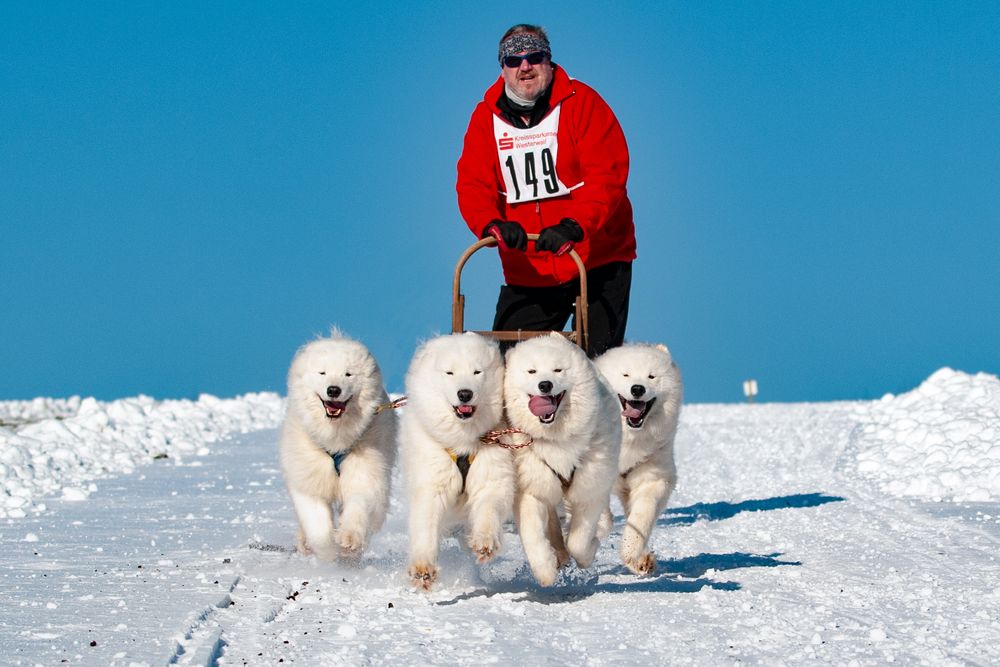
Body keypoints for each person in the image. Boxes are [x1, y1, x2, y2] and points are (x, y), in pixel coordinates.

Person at [456, 24, 636, 358]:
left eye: (534, 56)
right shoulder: (485, 118)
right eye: (514, 59)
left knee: (599, 365)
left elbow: (607, 176)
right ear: (504, 68)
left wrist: (574, 225)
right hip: (529, 265)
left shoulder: (583, 103)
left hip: (596, 256)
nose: (525, 66)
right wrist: (492, 224)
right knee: (512, 368)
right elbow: (472, 183)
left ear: (549, 62)